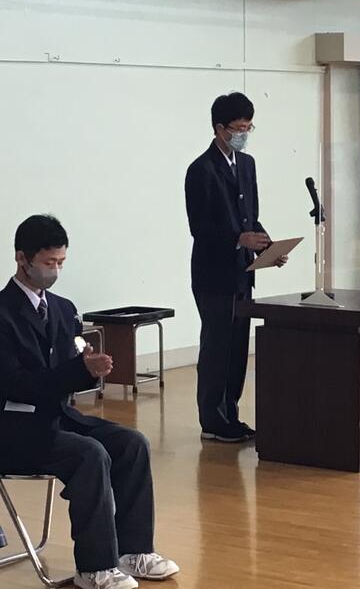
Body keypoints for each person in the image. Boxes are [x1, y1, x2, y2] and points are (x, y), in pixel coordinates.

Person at [0, 215, 178, 589]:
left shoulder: (64, 309)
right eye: (49, 262)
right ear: (22, 259)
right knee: (89, 454)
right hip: (15, 430)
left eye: (61, 262)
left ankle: (134, 551)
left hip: (58, 417)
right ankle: (94, 568)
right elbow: (17, 384)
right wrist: (79, 370)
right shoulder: (2, 313)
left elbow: (68, 369)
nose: (55, 271)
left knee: (132, 443)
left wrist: (89, 369)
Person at [185, 92, 286, 443]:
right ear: (219, 128)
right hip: (214, 274)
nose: (243, 134)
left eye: (248, 128)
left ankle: (231, 413)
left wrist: (267, 245)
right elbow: (200, 228)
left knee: (238, 348)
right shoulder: (201, 170)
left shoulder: (247, 164)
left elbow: (250, 217)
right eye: (238, 128)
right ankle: (212, 420)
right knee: (217, 347)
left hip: (243, 271)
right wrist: (238, 239)